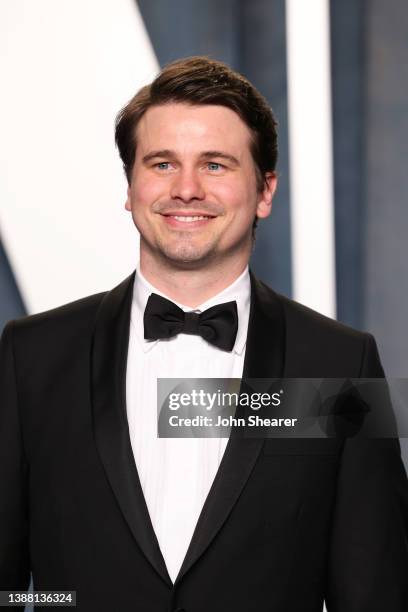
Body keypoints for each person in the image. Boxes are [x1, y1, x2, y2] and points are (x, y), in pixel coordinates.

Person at [0, 56, 407, 612]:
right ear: (130, 186)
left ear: (265, 191)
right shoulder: (32, 357)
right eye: (162, 163)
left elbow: (374, 593)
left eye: (215, 165)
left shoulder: (342, 363)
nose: (186, 189)